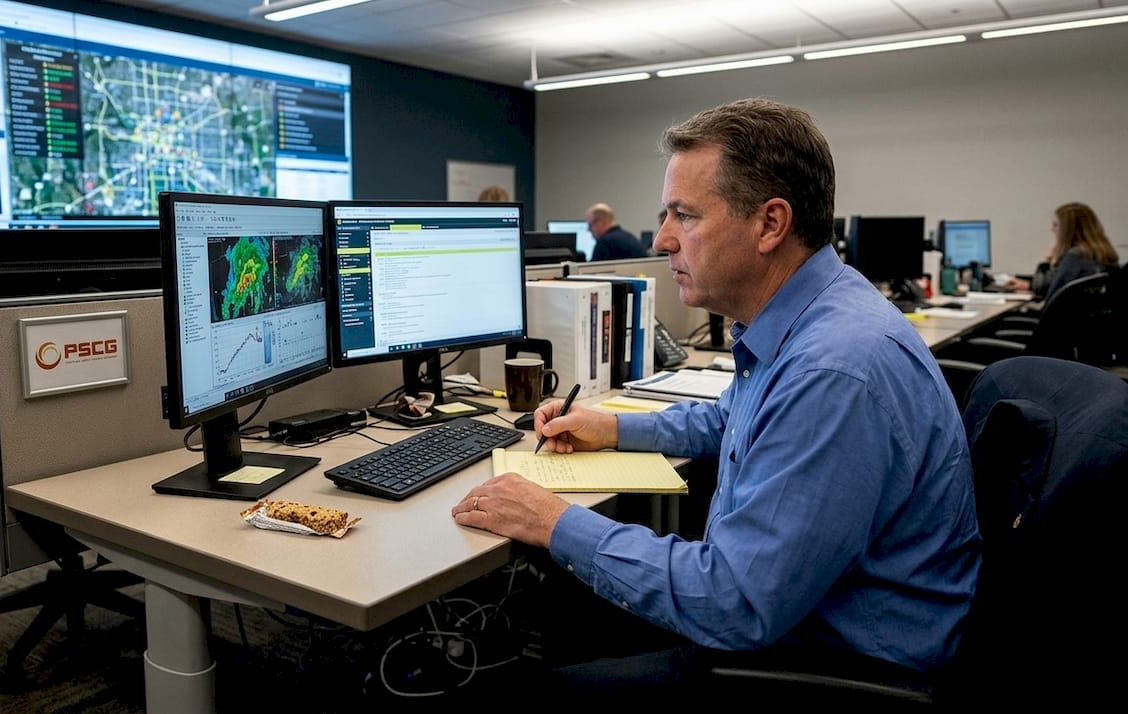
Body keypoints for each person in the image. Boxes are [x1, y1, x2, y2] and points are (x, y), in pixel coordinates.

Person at [451, 98, 980, 701]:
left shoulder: (833, 369)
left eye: (686, 215)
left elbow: (734, 603)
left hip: (824, 666)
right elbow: (734, 416)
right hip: (800, 611)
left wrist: (553, 520)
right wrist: (614, 428)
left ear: (770, 224)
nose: (664, 238)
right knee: (564, 598)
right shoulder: (816, 314)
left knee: (510, 691)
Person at [1002, 202, 1119, 299]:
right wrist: (1028, 284)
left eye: (1055, 225)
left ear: (1069, 229)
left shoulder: (1075, 256)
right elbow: (1055, 283)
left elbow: (1051, 296)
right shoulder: (1100, 254)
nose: (1052, 229)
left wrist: (1047, 262)